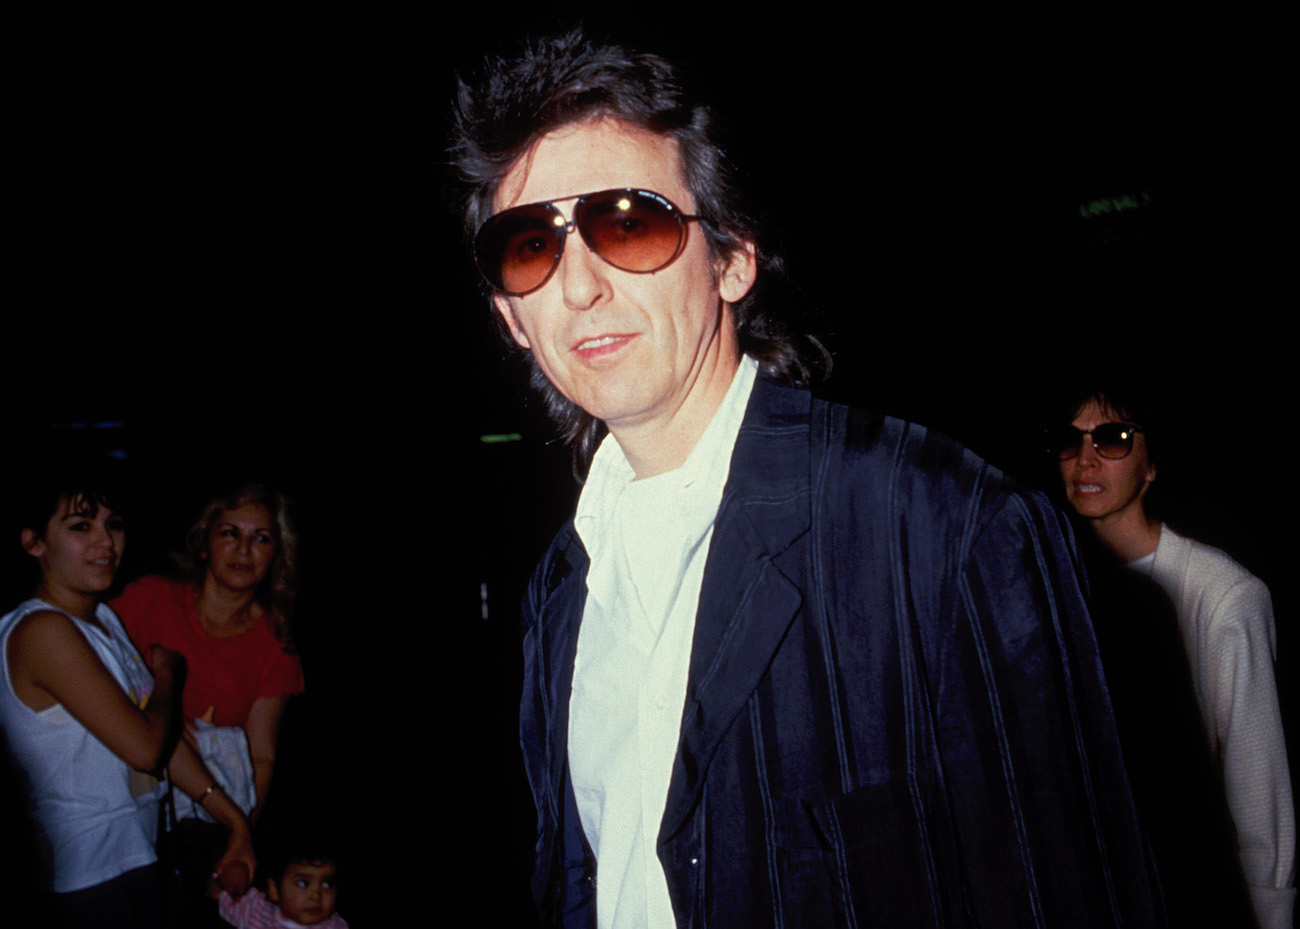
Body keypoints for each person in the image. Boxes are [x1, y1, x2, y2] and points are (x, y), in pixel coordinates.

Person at [453, 31, 1163, 928]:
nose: (579, 285)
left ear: (732, 260)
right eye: (528, 245)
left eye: (627, 220)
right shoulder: (561, 592)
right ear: (510, 316)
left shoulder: (942, 526)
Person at [1051, 386, 1295, 929]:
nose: (1086, 459)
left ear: (1152, 465)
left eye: (1113, 439)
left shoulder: (1226, 596)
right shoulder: (1051, 584)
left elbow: (1259, 793)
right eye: (1072, 442)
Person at [0, 464, 256, 928]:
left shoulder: (103, 620)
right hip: (89, 877)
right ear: (34, 542)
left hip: (143, 860)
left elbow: (163, 743)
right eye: (81, 526)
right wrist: (169, 675)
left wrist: (235, 823)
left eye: (113, 525)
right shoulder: (40, 631)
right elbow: (144, 748)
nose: (106, 543)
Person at [111, 484, 305, 922]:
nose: (243, 549)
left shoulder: (276, 643)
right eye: (230, 533)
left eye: (261, 538)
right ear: (204, 544)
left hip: (205, 825)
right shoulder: (149, 599)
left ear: (277, 554)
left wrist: (241, 837)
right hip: (122, 812)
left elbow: (262, 754)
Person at [215, 841, 347, 929]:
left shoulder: (334, 926)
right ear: (274, 890)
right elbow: (216, 892)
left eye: (327, 885)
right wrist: (233, 871)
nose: (316, 896)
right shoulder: (256, 909)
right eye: (303, 883)